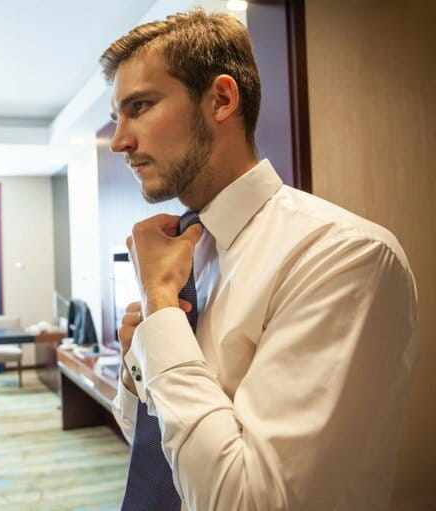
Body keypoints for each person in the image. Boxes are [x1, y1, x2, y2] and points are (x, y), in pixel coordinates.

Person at [101, 9, 418, 511]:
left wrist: (161, 314)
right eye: (117, 116)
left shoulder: (342, 257)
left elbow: (249, 501)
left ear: (222, 99)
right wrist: (134, 364)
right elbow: (155, 448)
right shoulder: (181, 254)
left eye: (139, 106)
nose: (119, 140)